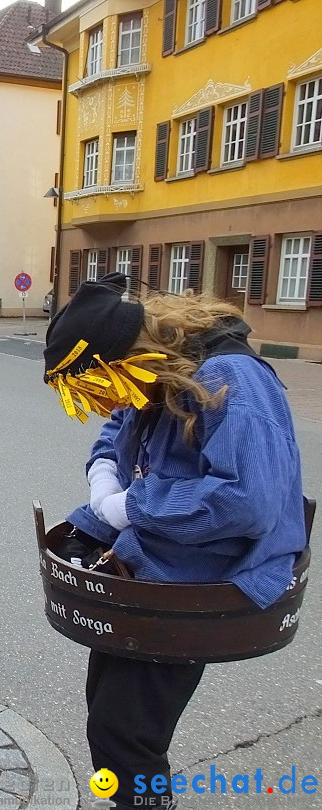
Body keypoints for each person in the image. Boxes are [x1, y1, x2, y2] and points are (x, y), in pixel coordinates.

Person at [42, 275, 306, 810]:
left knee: (126, 734)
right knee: (108, 714)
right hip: (153, 566)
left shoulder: (230, 376)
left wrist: (132, 505)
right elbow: (118, 424)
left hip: (201, 579)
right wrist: (102, 474)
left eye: (99, 383)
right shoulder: (157, 370)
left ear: (127, 356)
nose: (106, 400)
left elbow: (247, 501)